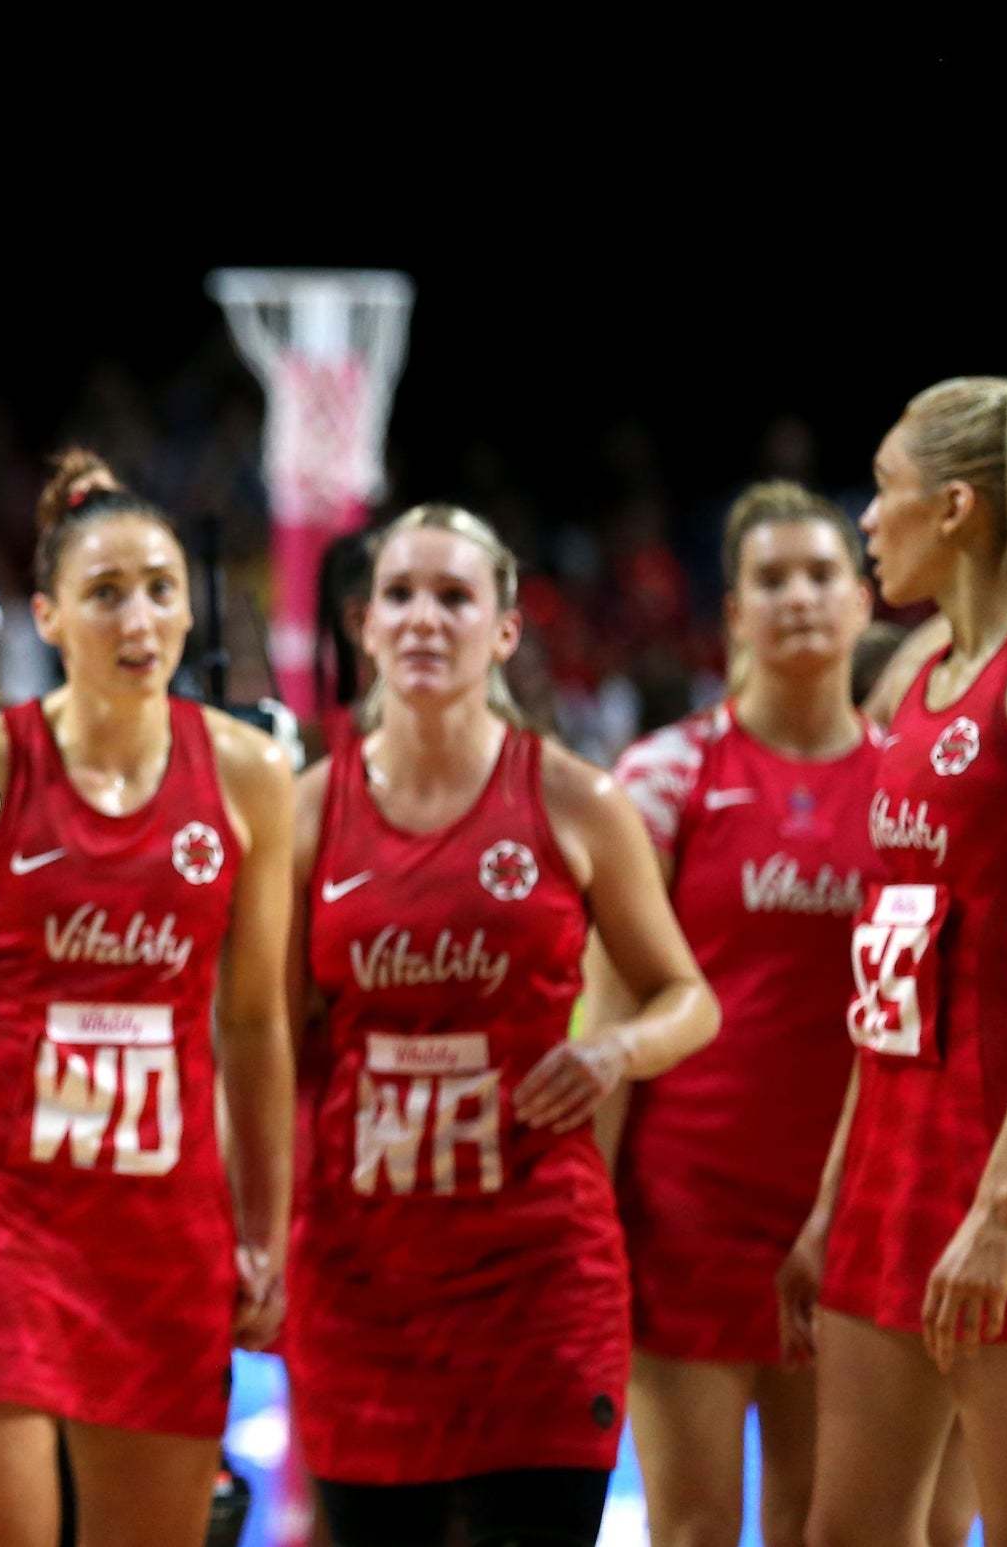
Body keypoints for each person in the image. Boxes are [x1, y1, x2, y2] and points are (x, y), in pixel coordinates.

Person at [0, 451, 295, 1547]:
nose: (138, 615)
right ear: (48, 616)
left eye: (159, 586)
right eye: (104, 591)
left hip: (165, 1233)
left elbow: (252, 1024)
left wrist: (266, 1225)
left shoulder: (249, 776)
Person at [287, 503, 717, 1547]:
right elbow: (264, 1039)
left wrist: (613, 1047)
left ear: (505, 630)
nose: (424, 618)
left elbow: (687, 997)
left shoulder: (577, 800)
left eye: (453, 596)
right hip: (360, 1277)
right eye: (398, 595)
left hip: (536, 1278)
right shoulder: (303, 809)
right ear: (362, 626)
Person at [595, 483, 880, 1547]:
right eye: (770, 578)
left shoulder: (904, 781)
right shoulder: (663, 776)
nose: (798, 596)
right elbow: (609, 1015)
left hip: (843, 1213)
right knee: (693, 1528)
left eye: (820, 574)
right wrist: (594, 1218)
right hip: (682, 1213)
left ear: (861, 602)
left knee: (821, 1526)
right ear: (729, 614)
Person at [782, 374, 1007, 1546]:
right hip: (891, 1163)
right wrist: (834, 1190)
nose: (862, 521)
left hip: (999, 1173)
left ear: (956, 509)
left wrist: (1001, 1205)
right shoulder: (909, 688)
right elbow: (879, 986)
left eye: (881, 492)